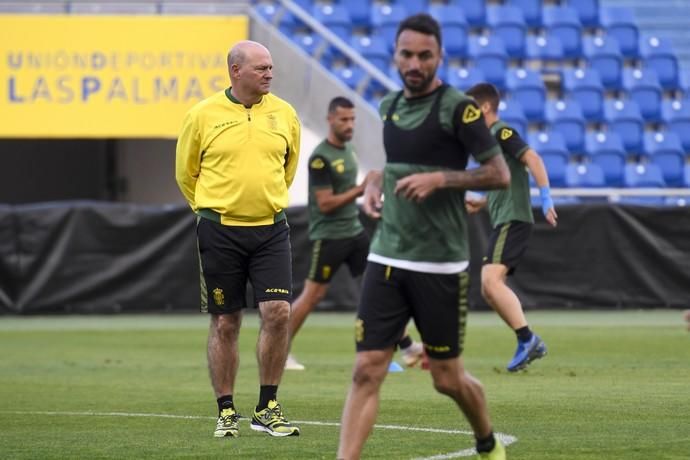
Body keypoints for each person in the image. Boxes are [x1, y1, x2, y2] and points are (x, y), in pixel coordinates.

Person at [337, 14, 510, 460]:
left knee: (447, 378)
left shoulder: (459, 108)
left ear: (440, 58)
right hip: (388, 256)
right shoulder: (390, 105)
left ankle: (487, 443)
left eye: (424, 55)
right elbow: (397, 164)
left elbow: (498, 173)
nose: (415, 63)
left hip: (440, 264)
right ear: (395, 55)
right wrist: (374, 181)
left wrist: (441, 179)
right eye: (406, 54)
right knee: (365, 370)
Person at [175, 40, 301, 438]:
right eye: (261, 68)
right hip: (219, 229)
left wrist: (264, 201)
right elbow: (185, 173)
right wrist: (212, 211)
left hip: (270, 228)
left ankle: (268, 406)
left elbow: (288, 167)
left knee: (278, 311)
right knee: (226, 321)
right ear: (236, 71)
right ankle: (226, 409)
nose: (269, 73)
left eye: (270, 67)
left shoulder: (285, 114)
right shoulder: (202, 115)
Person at [285, 96, 425, 371]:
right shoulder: (320, 158)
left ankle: (404, 349)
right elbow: (325, 204)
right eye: (344, 119)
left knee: (381, 289)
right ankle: (280, 350)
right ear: (330, 120)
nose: (349, 125)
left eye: (352, 119)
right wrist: (361, 190)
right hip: (330, 236)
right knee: (312, 295)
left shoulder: (348, 151)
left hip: (354, 232)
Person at [465, 83, 557, 373]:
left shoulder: (501, 132)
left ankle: (528, 339)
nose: (466, 117)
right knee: (488, 286)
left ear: (485, 108)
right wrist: (482, 202)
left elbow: (533, 158)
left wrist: (545, 197)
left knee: (491, 282)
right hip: (503, 217)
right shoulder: (489, 143)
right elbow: (504, 177)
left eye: (470, 110)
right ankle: (526, 340)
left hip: (514, 218)